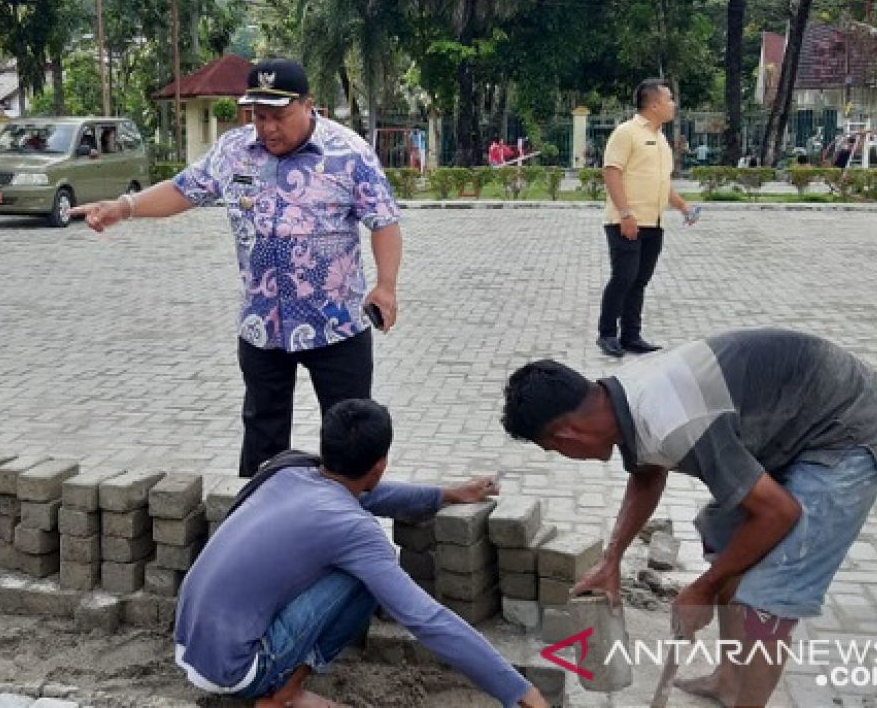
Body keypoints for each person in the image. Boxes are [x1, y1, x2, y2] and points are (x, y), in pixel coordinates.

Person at [501, 328, 877, 708]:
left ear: (567, 434)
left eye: (553, 449)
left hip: (845, 429)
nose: (564, 456)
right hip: (790, 420)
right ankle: (728, 679)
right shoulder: (618, 400)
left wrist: (704, 587)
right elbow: (647, 473)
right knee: (725, 534)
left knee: (770, 595)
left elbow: (781, 513)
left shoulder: (676, 422)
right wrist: (611, 558)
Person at [74, 58, 403, 477]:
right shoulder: (235, 151)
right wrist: (124, 207)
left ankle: (346, 532)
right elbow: (183, 189)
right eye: (258, 116)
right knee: (262, 441)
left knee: (349, 442)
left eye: (278, 116)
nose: (267, 128)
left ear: (308, 105)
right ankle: (259, 525)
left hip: (336, 326)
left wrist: (386, 286)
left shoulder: (349, 154)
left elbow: (385, 221)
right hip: (262, 325)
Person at [175, 398, 546, 708]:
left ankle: (281, 680)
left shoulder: (287, 468)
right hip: (239, 671)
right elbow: (426, 619)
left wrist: (447, 494)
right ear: (380, 464)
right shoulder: (354, 530)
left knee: (345, 563)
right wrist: (519, 692)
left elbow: (368, 493)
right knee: (364, 576)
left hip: (189, 643)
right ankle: (284, 692)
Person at [596, 79, 698, 358]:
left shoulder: (662, 139)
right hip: (627, 220)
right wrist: (625, 213)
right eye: (669, 99)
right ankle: (607, 334)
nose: (673, 104)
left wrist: (683, 207)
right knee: (623, 277)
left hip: (654, 222)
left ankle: (631, 335)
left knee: (640, 280)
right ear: (654, 104)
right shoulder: (626, 133)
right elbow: (612, 172)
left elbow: (661, 183)